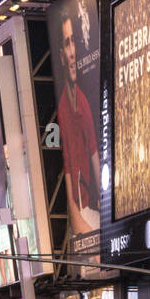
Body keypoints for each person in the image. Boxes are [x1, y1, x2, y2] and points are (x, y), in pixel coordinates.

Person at [55, 14, 100, 236]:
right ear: (62, 56)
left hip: (92, 210)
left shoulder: (81, 98)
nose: (72, 52)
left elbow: (94, 156)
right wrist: (80, 227)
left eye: (74, 41)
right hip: (80, 218)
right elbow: (64, 173)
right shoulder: (61, 110)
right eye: (66, 43)